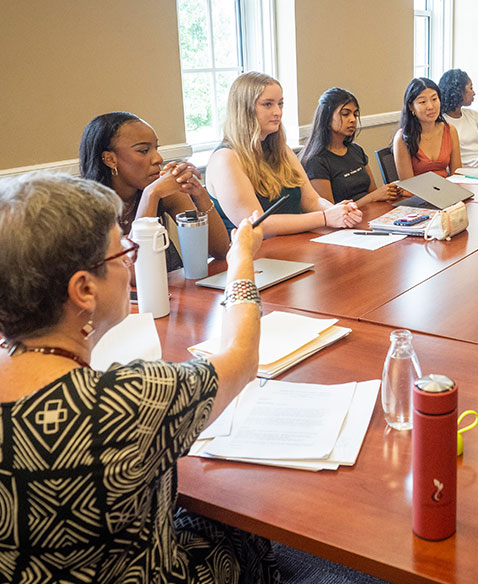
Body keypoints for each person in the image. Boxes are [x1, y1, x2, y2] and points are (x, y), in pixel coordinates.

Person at [0, 172, 277, 583]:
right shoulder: (126, 400)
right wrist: (241, 261)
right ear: (84, 290)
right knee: (239, 523)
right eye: (123, 252)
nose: (131, 261)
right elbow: (241, 356)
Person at [207, 72, 362, 238]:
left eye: (280, 104)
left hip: (296, 243)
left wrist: (338, 211)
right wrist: (325, 217)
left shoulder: (283, 150)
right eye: (268, 104)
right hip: (256, 250)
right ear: (244, 109)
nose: (277, 112)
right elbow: (257, 224)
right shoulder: (225, 159)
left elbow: (311, 201)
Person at [80, 112, 230, 270]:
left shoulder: (165, 193)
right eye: (143, 150)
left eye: (156, 148)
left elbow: (220, 251)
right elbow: (132, 272)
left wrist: (199, 194)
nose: (158, 158)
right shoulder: (85, 208)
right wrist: (150, 195)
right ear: (110, 159)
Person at [300, 87, 403, 205]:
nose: (353, 119)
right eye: (345, 114)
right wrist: (372, 197)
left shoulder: (356, 150)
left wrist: (390, 191)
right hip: (346, 216)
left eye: (355, 114)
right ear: (327, 118)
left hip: (370, 211)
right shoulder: (316, 161)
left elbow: (373, 191)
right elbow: (331, 212)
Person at [392, 77, 462, 180]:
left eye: (434, 99)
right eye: (422, 102)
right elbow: (407, 184)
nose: (430, 106)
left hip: (447, 187)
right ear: (411, 107)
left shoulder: (450, 130)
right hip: (416, 189)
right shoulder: (402, 138)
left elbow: (457, 174)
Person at [438, 69, 478, 167]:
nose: (474, 93)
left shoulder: (473, 115)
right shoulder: (441, 122)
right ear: (459, 91)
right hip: (465, 171)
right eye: (471, 88)